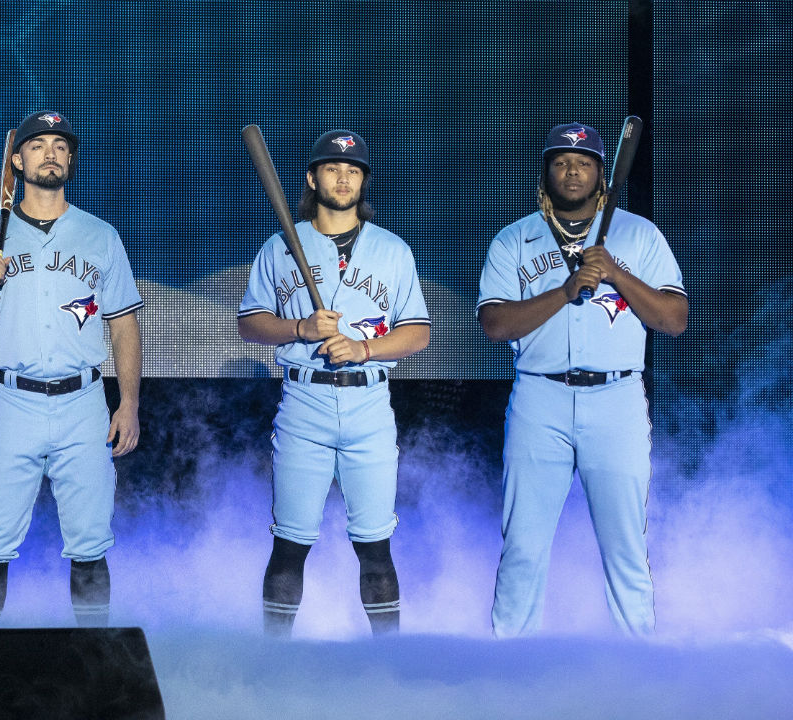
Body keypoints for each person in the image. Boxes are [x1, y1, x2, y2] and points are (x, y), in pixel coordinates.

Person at [478, 122, 688, 637]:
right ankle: (507, 669)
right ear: (546, 173)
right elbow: (495, 324)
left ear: (601, 177)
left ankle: (637, 667)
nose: (572, 171)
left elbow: (674, 319)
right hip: (539, 398)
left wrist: (618, 274)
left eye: (584, 163)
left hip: (616, 399)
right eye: (561, 162)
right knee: (523, 545)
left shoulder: (638, 235)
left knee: (626, 548)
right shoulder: (515, 238)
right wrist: (567, 289)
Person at [0, 111, 143, 628]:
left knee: (90, 544)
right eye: (37, 145)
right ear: (17, 160)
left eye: (60, 145)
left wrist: (130, 404)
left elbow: (123, 326)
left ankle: (98, 667)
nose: (50, 152)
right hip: (14, 401)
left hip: (84, 403)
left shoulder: (100, 235)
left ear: (70, 159)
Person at [238, 129, 430, 637]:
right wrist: (300, 328)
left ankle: (389, 666)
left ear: (363, 182)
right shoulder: (282, 246)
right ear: (312, 177)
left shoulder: (392, 249)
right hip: (304, 401)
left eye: (353, 171)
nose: (343, 178)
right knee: (290, 543)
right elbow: (249, 322)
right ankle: (273, 664)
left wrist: (364, 348)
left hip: (368, 401)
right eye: (332, 169)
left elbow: (419, 332)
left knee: (374, 546)